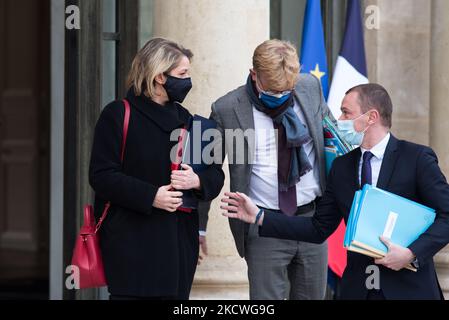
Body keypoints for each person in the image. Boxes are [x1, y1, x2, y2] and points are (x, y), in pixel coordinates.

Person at [222, 83, 449, 300]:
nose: (338, 120)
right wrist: (260, 217)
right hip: (358, 289)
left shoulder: (417, 158)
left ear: (371, 117)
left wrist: (411, 253)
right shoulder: (342, 167)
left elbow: (446, 215)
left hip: (409, 289)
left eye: (345, 113)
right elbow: (318, 227)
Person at [89, 38, 224, 300]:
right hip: (131, 243)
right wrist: (152, 196)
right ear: (160, 76)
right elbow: (102, 175)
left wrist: (196, 180)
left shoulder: (190, 122)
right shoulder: (118, 114)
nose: (188, 80)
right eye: (182, 74)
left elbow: (215, 176)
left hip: (178, 246)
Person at [199, 39, 333, 300]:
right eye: (273, 91)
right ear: (254, 75)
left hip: (312, 221)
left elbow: (332, 138)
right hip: (262, 224)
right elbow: (206, 169)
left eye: (287, 91)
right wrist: (199, 227)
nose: (281, 97)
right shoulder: (226, 108)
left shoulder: (309, 87)